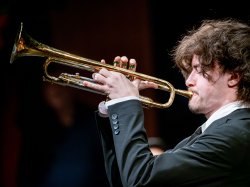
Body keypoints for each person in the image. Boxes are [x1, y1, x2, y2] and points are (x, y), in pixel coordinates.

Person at [82, 18, 250, 187]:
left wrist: (126, 102)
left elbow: (141, 179)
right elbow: (125, 180)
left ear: (233, 77)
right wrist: (114, 105)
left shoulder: (236, 134)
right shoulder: (218, 132)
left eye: (198, 70)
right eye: (190, 71)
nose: (188, 81)